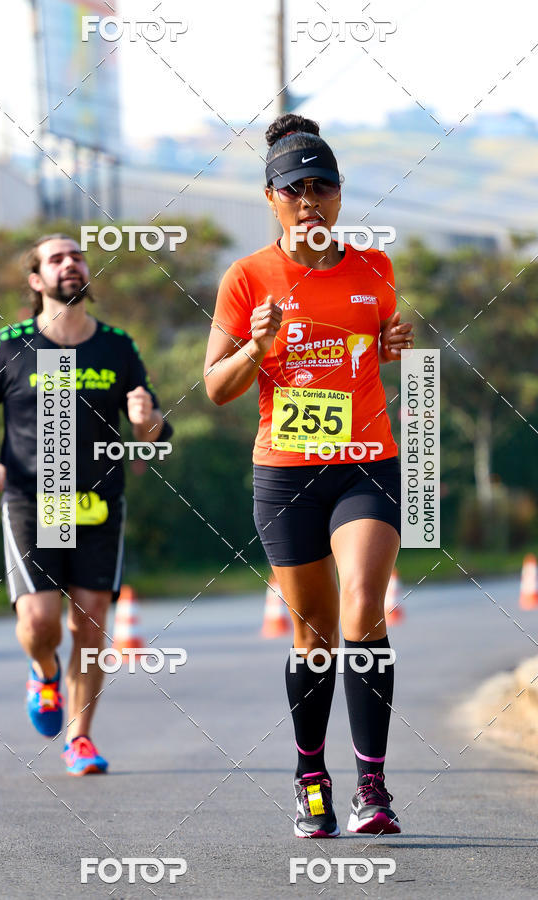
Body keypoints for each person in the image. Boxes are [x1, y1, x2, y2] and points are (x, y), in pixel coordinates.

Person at [204, 114, 414, 837]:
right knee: (315, 633)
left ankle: (375, 790)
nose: (309, 201)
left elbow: (377, 346)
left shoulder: (375, 270)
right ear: (271, 197)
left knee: (362, 602)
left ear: (341, 195)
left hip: (366, 464)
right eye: (295, 189)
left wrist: (390, 345)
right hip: (286, 473)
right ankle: (310, 779)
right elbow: (216, 388)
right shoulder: (247, 279)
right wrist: (257, 346)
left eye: (322, 186)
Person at [0, 234, 172, 775]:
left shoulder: (117, 346)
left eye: (77, 255)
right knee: (39, 623)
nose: (70, 264)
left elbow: (152, 434)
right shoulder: (11, 344)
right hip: (35, 500)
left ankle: (80, 739)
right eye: (56, 259)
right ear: (37, 281)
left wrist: (147, 422)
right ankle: (42, 670)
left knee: (92, 623)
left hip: (100, 502)